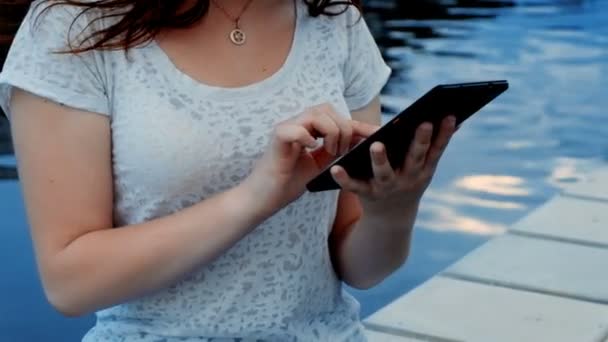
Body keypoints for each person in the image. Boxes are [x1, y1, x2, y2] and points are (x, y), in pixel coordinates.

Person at [0, 0, 456, 340]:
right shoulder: (71, 27)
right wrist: (256, 197)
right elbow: (70, 284)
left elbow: (359, 269)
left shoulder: (335, 20)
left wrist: (393, 208)